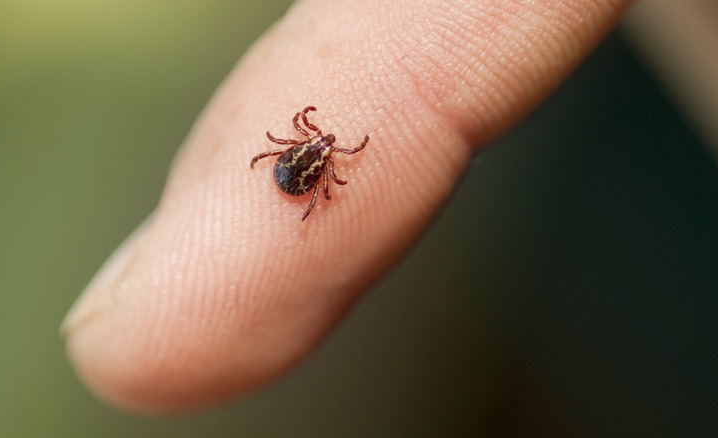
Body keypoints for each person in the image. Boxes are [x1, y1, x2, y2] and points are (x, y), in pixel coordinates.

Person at [61, 0, 635, 413]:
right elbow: (310, 177)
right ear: (310, 141)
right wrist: (306, 186)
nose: (323, 146)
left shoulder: (305, 153)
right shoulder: (315, 159)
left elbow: (293, 161)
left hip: (285, 179)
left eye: (323, 144)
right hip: (289, 182)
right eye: (319, 141)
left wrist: (292, 175)